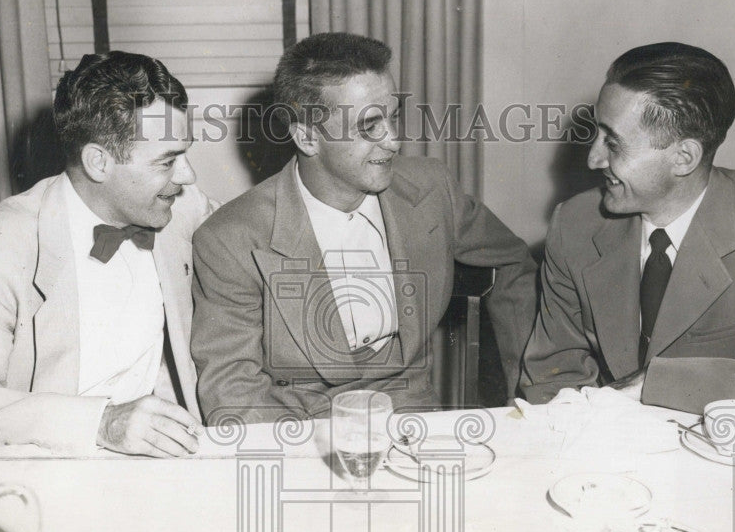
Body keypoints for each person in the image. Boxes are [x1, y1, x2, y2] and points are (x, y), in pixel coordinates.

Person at [191, 32, 537, 425]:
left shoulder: (431, 188)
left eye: (392, 117)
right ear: (307, 136)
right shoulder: (230, 239)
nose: (393, 141)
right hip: (303, 433)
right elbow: (231, 393)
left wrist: (529, 388)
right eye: (370, 125)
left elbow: (513, 262)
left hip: (414, 418)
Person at [0, 51, 216, 456]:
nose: (188, 175)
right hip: (51, 463)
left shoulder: (184, 208)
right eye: (167, 161)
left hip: (166, 458)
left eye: (185, 152)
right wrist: (102, 423)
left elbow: (254, 238)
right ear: (98, 162)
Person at [521, 42, 735, 421]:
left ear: (684, 157)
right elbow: (551, 375)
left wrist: (656, 383)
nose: (593, 158)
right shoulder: (576, 223)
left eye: (613, 143)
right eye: (596, 134)